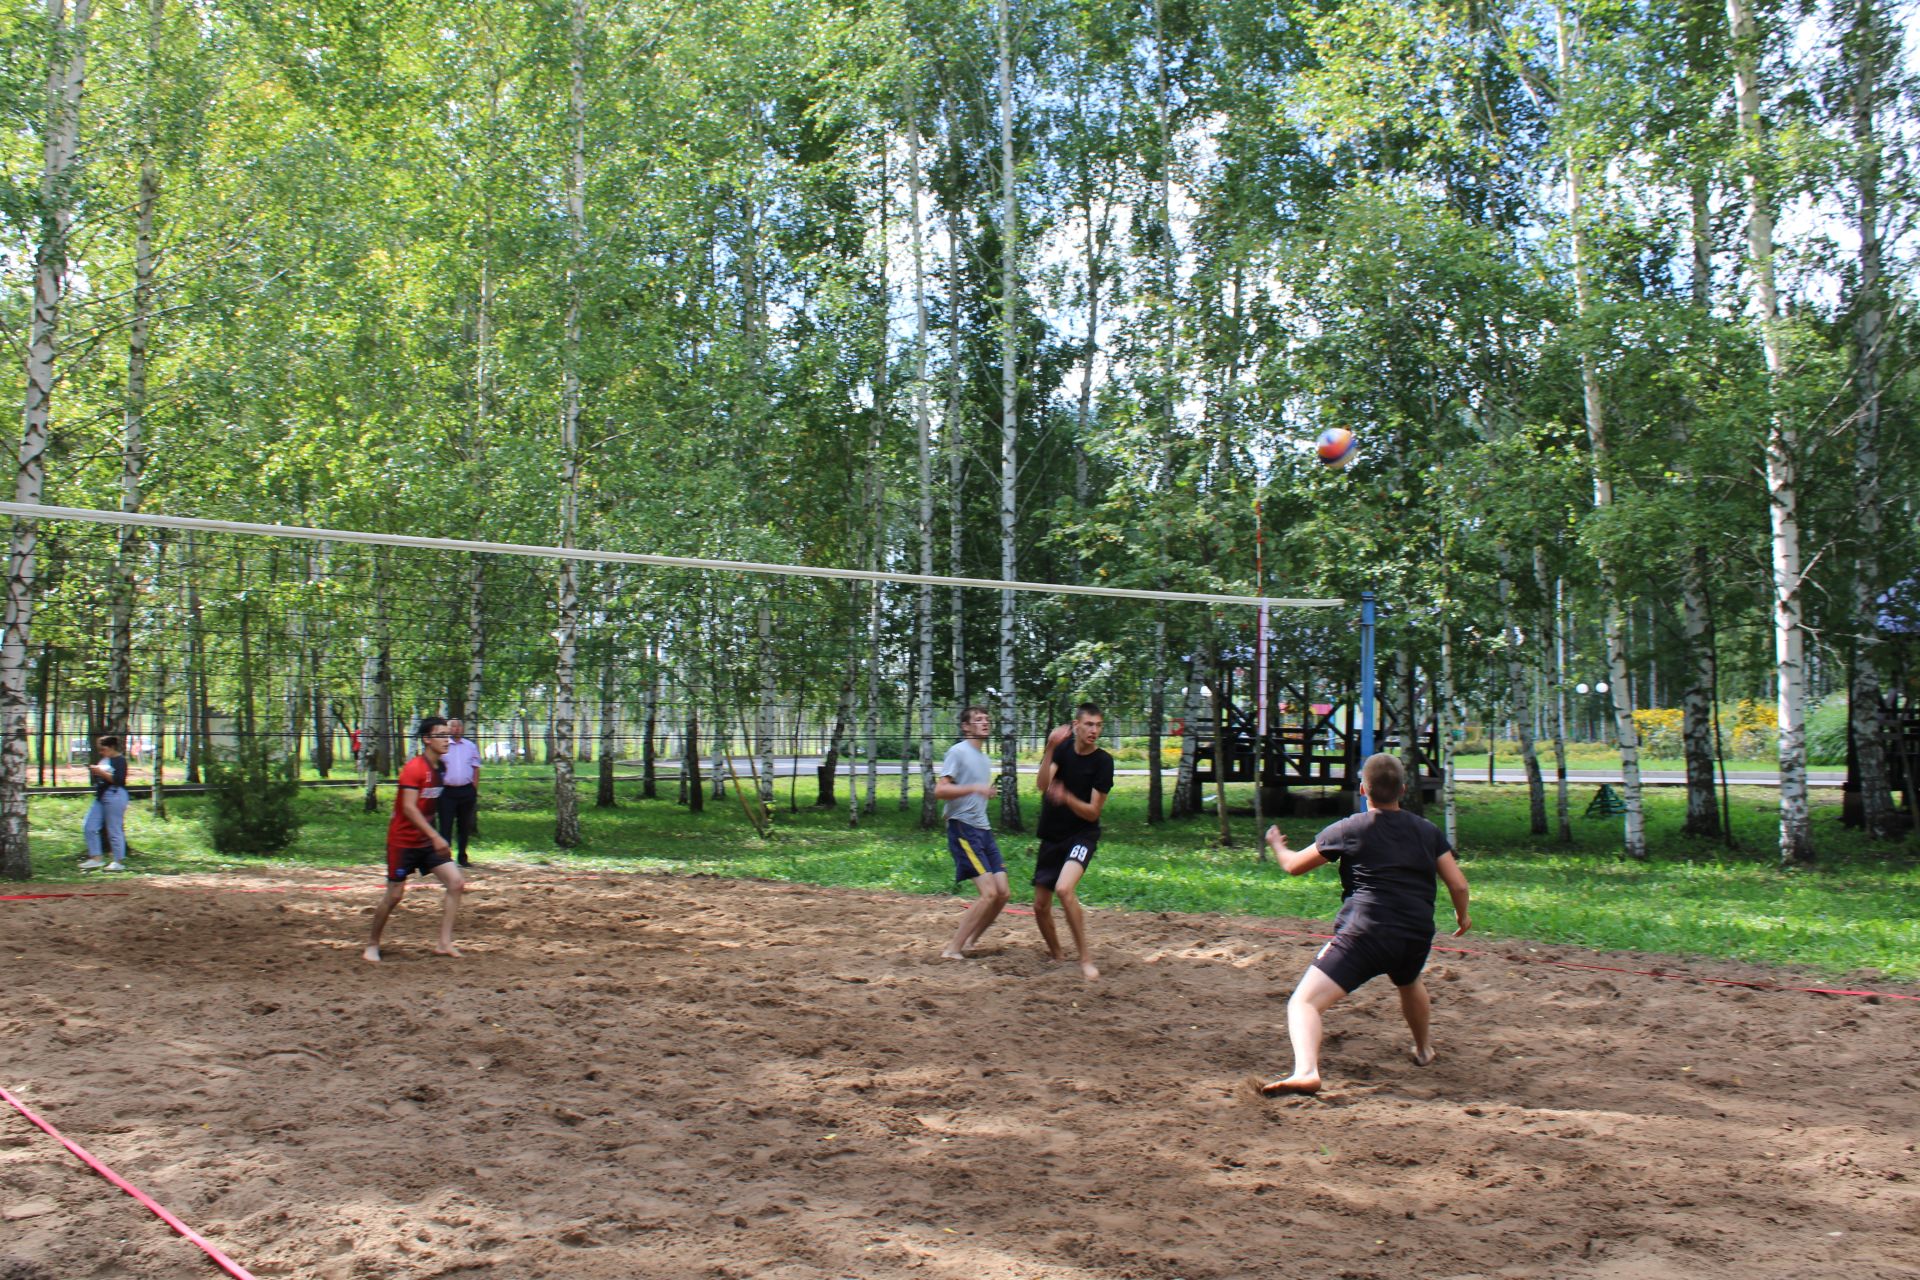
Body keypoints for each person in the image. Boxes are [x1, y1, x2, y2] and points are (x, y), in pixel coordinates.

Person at [1259, 752, 1472, 1096]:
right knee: (1408, 980)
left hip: (1366, 933)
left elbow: (1294, 866)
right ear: (1403, 789)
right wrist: (1462, 916)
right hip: (1415, 934)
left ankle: (1307, 1071)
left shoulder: (1349, 828)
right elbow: (1458, 885)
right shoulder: (1427, 831)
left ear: (1362, 789)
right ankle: (1423, 1050)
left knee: (1303, 1003)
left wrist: (1277, 845)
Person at [364, 717, 465, 963]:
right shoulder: (414, 768)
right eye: (440, 735)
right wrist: (436, 835)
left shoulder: (441, 768)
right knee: (395, 895)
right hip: (403, 842)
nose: (446, 740)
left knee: (456, 883)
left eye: (447, 735)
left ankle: (444, 943)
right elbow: (409, 809)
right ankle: (372, 944)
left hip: (426, 842)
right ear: (427, 739)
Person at [1032, 702, 1114, 980]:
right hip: (1052, 833)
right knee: (1040, 906)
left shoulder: (1103, 762)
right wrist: (1050, 748)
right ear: (1076, 725)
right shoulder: (1063, 750)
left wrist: (1066, 797)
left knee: (1064, 890)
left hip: (1082, 835)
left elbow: (1093, 812)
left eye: (1098, 725)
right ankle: (1057, 954)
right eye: (1089, 724)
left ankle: (1086, 959)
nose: (1094, 730)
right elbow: (1042, 785)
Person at [935, 705, 1010, 959]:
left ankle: (970, 942)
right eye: (978, 719)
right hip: (963, 828)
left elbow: (974, 791)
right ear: (966, 726)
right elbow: (940, 791)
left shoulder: (984, 758)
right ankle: (952, 948)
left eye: (987, 719)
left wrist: (984, 791)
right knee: (988, 893)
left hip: (983, 829)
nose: (985, 723)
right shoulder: (958, 752)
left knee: (1002, 893)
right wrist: (975, 788)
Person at [79, 735, 130, 872]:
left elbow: (118, 780)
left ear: (112, 747)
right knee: (89, 826)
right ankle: (95, 858)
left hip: (115, 795)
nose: (101, 752)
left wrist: (101, 773)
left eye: (104, 749)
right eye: (100, 750)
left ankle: (118, 861)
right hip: (101, 796)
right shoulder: (105, 759)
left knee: (114, 829)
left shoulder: (120, 760)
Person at [437, 716, 482, 867]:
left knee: (464, 826)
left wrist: (473, 788)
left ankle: (462, 857)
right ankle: (445, 858)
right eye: (453, 726)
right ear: (447, 729)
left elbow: (476, 767)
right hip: (447, 792)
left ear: (462, 729)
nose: (456, 728)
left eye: (459, 726)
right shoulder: (442, 746)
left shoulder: (470, 746)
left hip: (466, 791)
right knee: (446, 825)